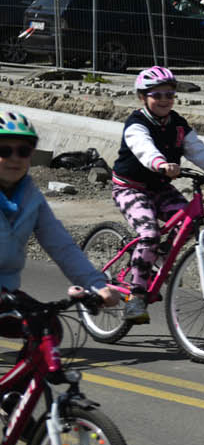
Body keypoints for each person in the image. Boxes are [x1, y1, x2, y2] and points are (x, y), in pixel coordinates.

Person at [109, 68, 204, 324]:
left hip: (159, 187)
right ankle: (136, 296)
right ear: (142, 97)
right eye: (156, 94)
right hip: (131, 187)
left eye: (169, 94)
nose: (163, 100)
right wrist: (160, 163)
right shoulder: (136, 123)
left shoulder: (178, 124)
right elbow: (142, 147)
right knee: (148, 234)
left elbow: (197, 150)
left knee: (189, 222)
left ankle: (158, 256)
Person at [0, 110, 117, 304]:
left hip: (7, 295)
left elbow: (62, 246)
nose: (15, 158)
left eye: (23, 151)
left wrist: (97, 285)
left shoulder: (31, 198)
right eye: (4, 151)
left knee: (47, 328)